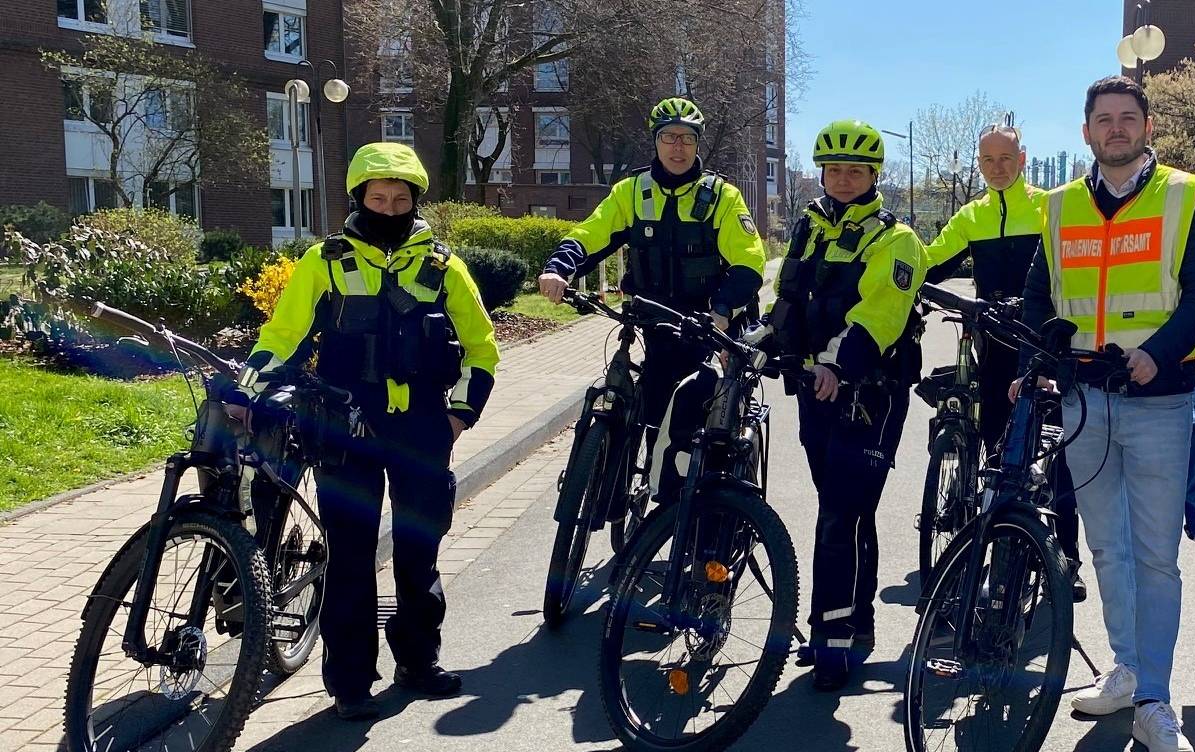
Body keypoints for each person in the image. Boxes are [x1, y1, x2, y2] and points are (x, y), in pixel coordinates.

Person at [228, 142, 500, 720]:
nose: (389, 207)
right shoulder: (323, 262)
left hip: (422, 429)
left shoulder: (444, 266)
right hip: (344, 428)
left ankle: (418, 661)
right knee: (350, 556)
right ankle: (350, 683)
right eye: (378, 198)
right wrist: (247, 389)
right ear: (358, 198)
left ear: (415, 201)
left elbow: (481, 349)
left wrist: (458, 417)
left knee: (419, 551)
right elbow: (282, 336)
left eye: (400, 199)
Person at [1021, 76, 1195, 752]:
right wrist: (1037, 359)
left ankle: (1155, 701)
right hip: (1085, 399)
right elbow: (1038, 295)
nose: (1116, 128)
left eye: (1127, 117)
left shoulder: (1187, 196)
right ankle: (1126, 668)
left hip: (1158, 399)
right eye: (1104, 119)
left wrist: (1157, 354)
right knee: (1107, 547)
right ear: (1086, 132)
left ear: (1147, 126)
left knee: (1155, 555)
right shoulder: (1058, 207)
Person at [769, 119, 926, 691]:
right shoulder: (810, 228)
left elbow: (880, 315)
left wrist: (837, 364)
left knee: (842, 511)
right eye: (833, 170)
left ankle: (833, 640)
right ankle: (852, 625)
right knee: (842, 511)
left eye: (854, 171)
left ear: (873, 175)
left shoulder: (896, 239)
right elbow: (788, 299)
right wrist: (764, 340)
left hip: (870, 394)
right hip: (816, 391)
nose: (842, 180)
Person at [537, 97, 766, 480]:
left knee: (701, 417)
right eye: (669, 137)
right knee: (652, 408)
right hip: (654, 320)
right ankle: (635, 484)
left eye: (687, 138)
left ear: (697, 143)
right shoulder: (631, 192)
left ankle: (696, 490)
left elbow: (749, 260)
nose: (678, 147)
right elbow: (591, 235)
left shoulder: (721, 197)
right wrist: (558, 269)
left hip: (708, 325)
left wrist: (723, 309)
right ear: (656, 141)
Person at [922, 123, 1082, 598]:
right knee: (996, 448)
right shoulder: (972, 216)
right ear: (979, 164)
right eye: (988, 160)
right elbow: (931, 262)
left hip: (1044, 346)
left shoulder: (1048, 207)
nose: (997, 168)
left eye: (1006, 159)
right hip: (992, 347)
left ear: (1022, 159)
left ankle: (1066, 557)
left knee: (1056, 456)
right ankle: (999, 547)